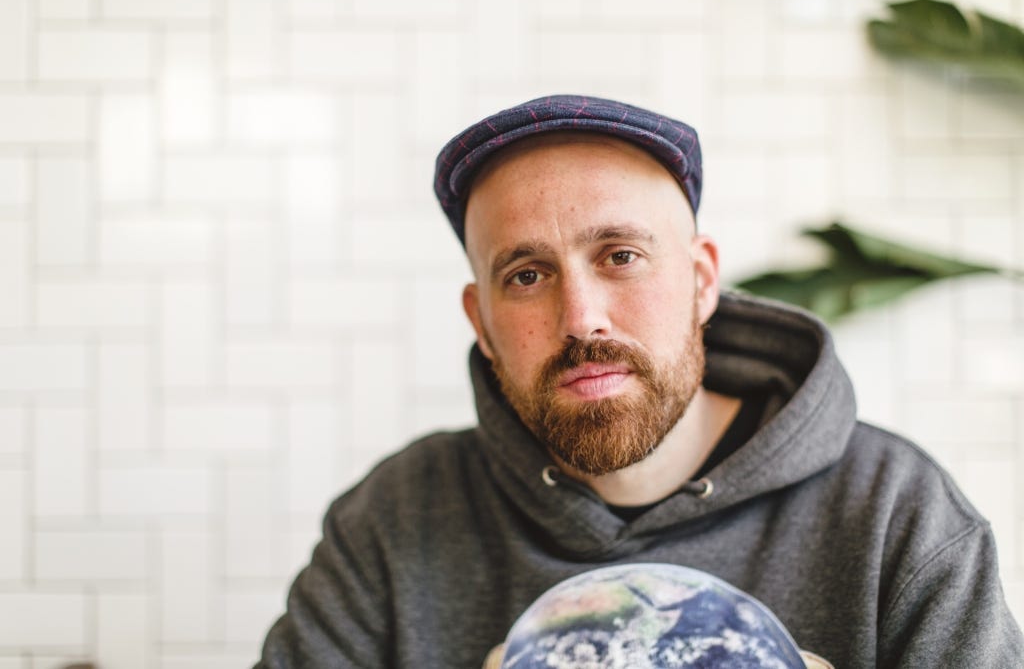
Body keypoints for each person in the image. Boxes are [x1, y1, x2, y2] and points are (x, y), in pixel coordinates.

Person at [257, 95, 1023, 667]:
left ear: (700, 282)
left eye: (621, 255)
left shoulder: (898, 517)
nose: (581, 318)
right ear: (481, 323)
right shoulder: (394, 522)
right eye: (526, 275)